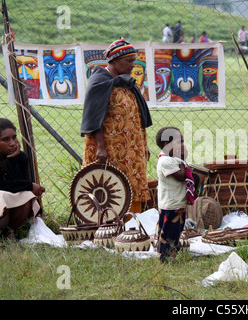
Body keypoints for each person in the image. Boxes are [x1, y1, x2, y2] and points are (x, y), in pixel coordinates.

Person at [80, 38, 153, 214]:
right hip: (110, 150)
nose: (132, 65)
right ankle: (108, 227)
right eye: (128, 61)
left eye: (133, 61)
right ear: (114, 60)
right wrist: (100, 147)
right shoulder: (99, 82)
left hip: (131, 148)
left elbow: (136, 118)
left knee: (131, 185)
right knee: (110, 187)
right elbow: (94, 116)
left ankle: (131, 228)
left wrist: (143, 146)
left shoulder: (125, 82)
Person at [0, 118, 45, 248]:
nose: (12, 143)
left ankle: (9, 232)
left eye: (14, 138)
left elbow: (21, 184)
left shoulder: (20, 157)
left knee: (27, 196)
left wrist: (12, 161)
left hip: (6, 213)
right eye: (5, 139)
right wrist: (30, 186)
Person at [155, 126, 196, 262]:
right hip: (170, 206)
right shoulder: (165, 161)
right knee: (168, 233)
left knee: (176, 232)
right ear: (167, 145)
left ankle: (172, 254)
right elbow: (181, 176)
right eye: (179, 142)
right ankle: (164, 257)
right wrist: (183, 159)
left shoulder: (173, 159)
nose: (183, 145)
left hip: (177, 204)